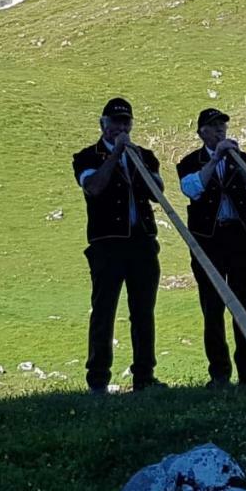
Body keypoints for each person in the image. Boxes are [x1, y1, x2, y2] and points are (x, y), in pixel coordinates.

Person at [72, 97, 166, 394]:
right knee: (104, 310)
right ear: (103, 125)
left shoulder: (144, 156)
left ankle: (144, 375)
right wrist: (115, 156)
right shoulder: (87, 156)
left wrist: (134, 157)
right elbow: (94, 187)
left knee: (143, 310)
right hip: (107, 245)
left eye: (126, 122)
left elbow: (157, 192)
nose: (121, 128)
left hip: (142, 243)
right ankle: (98, 378)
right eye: (115, 123)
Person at [177, 108, 246, 388]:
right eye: (213, 127)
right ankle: (219, 373)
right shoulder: (189, 162)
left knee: (245, 304)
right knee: (212, 307)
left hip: (240, 239)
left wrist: (238, 163)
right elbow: (192, 189)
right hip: (208, 241)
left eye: (222, 126)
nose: (220, 131)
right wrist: (216, 157)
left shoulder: (244, 159)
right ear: (201, 133)